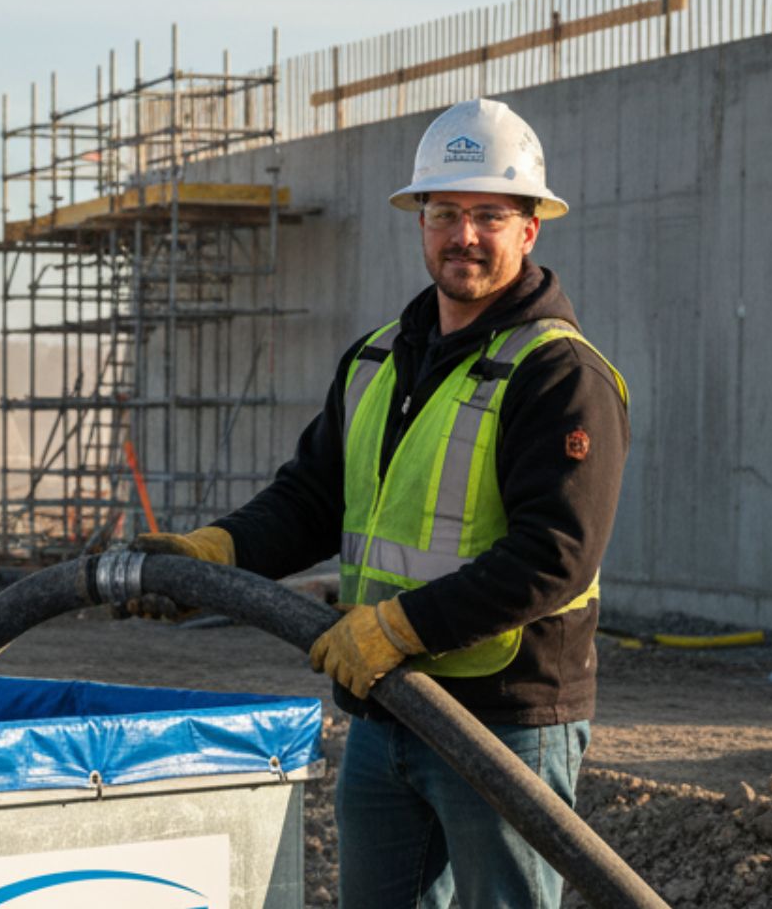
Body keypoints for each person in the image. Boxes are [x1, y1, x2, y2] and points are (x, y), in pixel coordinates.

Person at [131, 97, 630, 908]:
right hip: (387, 708)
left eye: (487, 215)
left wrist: (398, 627)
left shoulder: (559, 373)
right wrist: (216, 553)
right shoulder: (376, 360)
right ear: (419, 221)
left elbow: (557, 557)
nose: (463, 234)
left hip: (504, 717)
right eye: (444, 212)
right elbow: (311, 500)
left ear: (529, 228)